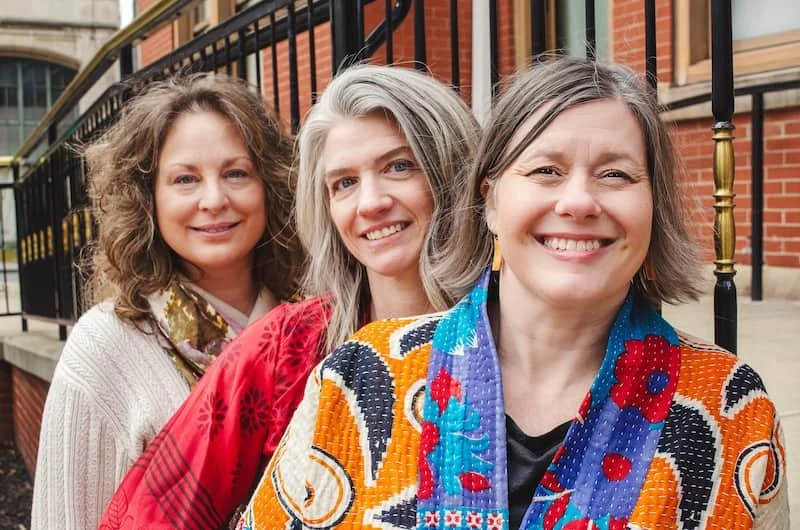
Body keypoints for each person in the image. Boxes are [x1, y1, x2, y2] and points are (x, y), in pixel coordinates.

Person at [241, 57, 789, 530]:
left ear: (653, 208)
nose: (578, 201)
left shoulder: (727, 405)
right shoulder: (362, 377)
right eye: (546, 170)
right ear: (492, 203)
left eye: (616, 175)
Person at [97, 64, 480, 529]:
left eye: (399, 167)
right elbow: (149, 516)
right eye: (344, 183)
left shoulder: (534, 329)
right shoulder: (287, 347)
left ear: (453, 173)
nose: (370, 202)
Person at [31, 73, 304, 530]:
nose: (214, 200)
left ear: (269, 186)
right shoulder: (104, 349)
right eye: (185, 179)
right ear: (147, 199)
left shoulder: (312, 331)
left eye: (236, 173)